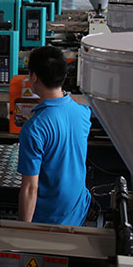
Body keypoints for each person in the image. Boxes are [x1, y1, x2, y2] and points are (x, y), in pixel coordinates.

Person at [17, 46, 92, 226]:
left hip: (49, 220)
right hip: (78, 211)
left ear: (34, 77)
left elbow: (30, 188)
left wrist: (21, 231)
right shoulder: (83, 112)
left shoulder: (33, 128)